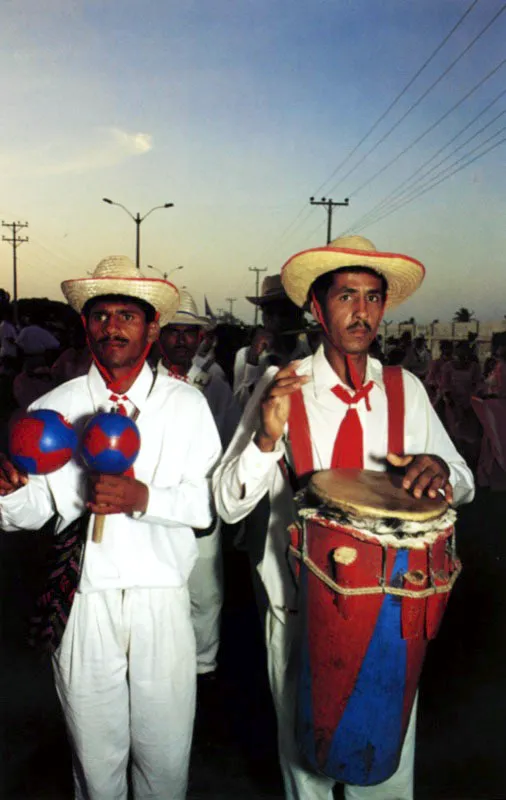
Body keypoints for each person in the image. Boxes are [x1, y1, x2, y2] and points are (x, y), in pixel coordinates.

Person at [213, 235, 475, 800]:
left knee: (386, 768)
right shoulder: (280, 387)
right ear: (317, 307)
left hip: (393, 614)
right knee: (305, 770)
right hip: (298, 608)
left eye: (374, 298)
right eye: (346, 296)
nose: (362, 312)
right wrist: (265, 437)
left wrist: (441, 472)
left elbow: (464, 477)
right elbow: (227, 502)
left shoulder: (406, 389)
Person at [0, 256, 222, 800]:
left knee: (164, 759)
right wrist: (7, 492)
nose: (112, 327)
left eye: (127, 315)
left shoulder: (186, 405)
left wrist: (143, 497)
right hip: (85, 601)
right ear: (86, 327)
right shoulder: (55, 406)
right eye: (101, 316)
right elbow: (34, 511)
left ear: (151, 328)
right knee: (95, 761)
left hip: (161, 602)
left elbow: (207, 504)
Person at [158, 289, 241, 680]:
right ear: (157, 334)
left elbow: (229, 446)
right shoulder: (144, 382)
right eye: (171, 330)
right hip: (154, 503)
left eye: (188, 332)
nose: (179, 339)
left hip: (200, 502)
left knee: (204, 590)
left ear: (199, 338)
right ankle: (164, 665)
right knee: (159, 589)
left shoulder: (216, 386)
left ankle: (203, 664)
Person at [233, 275, 310, 408]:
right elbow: (241, 406)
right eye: (269, 313)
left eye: (285, 313)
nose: (276, 321)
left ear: (300, 317)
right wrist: (252, 362)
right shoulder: (246, 356)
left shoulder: (310, 355)